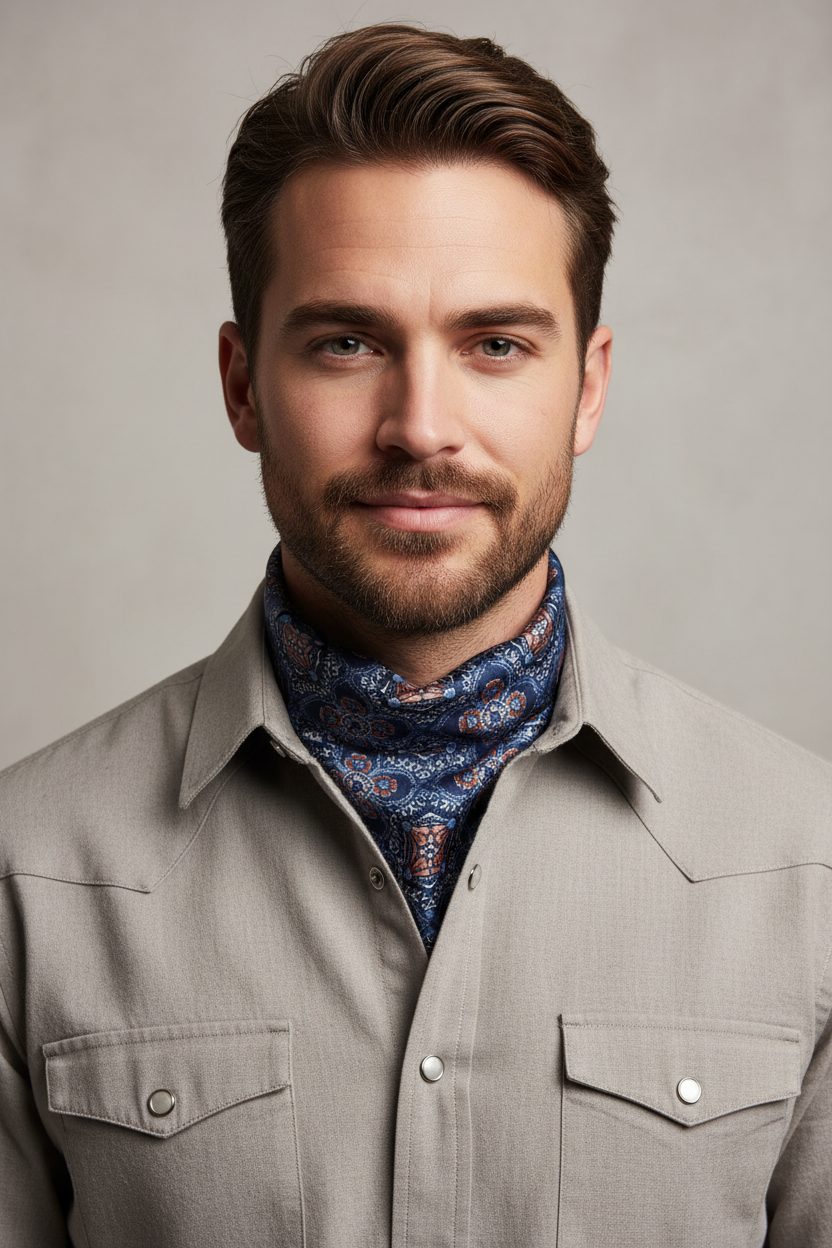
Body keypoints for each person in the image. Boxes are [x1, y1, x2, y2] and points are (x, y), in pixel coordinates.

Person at [0, 23, 829, 1247]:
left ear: (588, 385)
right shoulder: (26, 877)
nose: (419, 427)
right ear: (241, 385)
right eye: (347, 342)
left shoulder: (806, 872)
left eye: (495, 344)